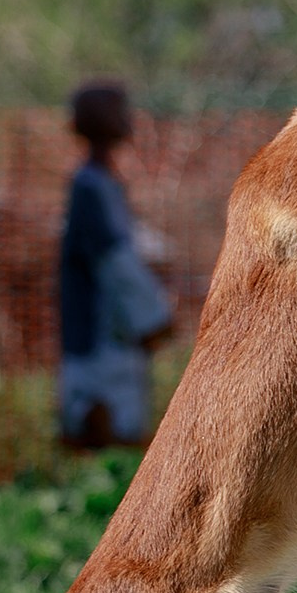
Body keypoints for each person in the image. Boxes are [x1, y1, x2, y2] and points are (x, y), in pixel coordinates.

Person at [58, 81, 174, 449]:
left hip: (106, 327)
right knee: (106, 422)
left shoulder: (100, 182)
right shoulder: (91, 186)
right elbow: (114, 259)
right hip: (101, 330)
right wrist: (154, 317)